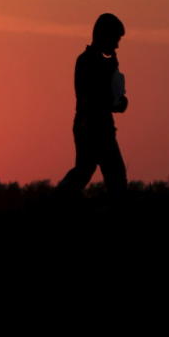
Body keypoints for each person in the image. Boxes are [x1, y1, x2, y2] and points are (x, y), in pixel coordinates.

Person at [58, 13, 129, 205]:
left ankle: (55, 201)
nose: (116, 45)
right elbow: (90, 97)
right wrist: (114, 100)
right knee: (105, 174)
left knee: (90, 171)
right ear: (104, 36)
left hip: (99, 125)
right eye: (115, 39)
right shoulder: (87, 61)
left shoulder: (102, 63)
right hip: (91, 126)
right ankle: (55, 201)